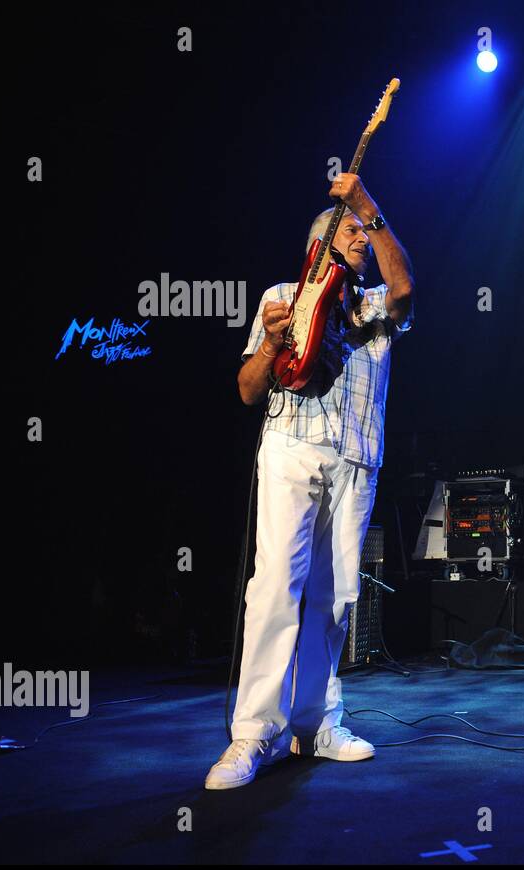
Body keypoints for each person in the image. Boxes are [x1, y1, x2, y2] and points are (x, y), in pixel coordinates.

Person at [205, 173, 414, 790]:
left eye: (365, 230)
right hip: (292, 448)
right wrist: (271, 345)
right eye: (349, 230)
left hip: (356, 458)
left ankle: (315, 724)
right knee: (275, 585)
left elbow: (405, 286)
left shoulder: (374, 306)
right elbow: (247, 389)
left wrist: (367, 207)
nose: (361, 238)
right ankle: (251, 735)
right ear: (321, 246)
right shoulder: (281, 295)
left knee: (337, 594)